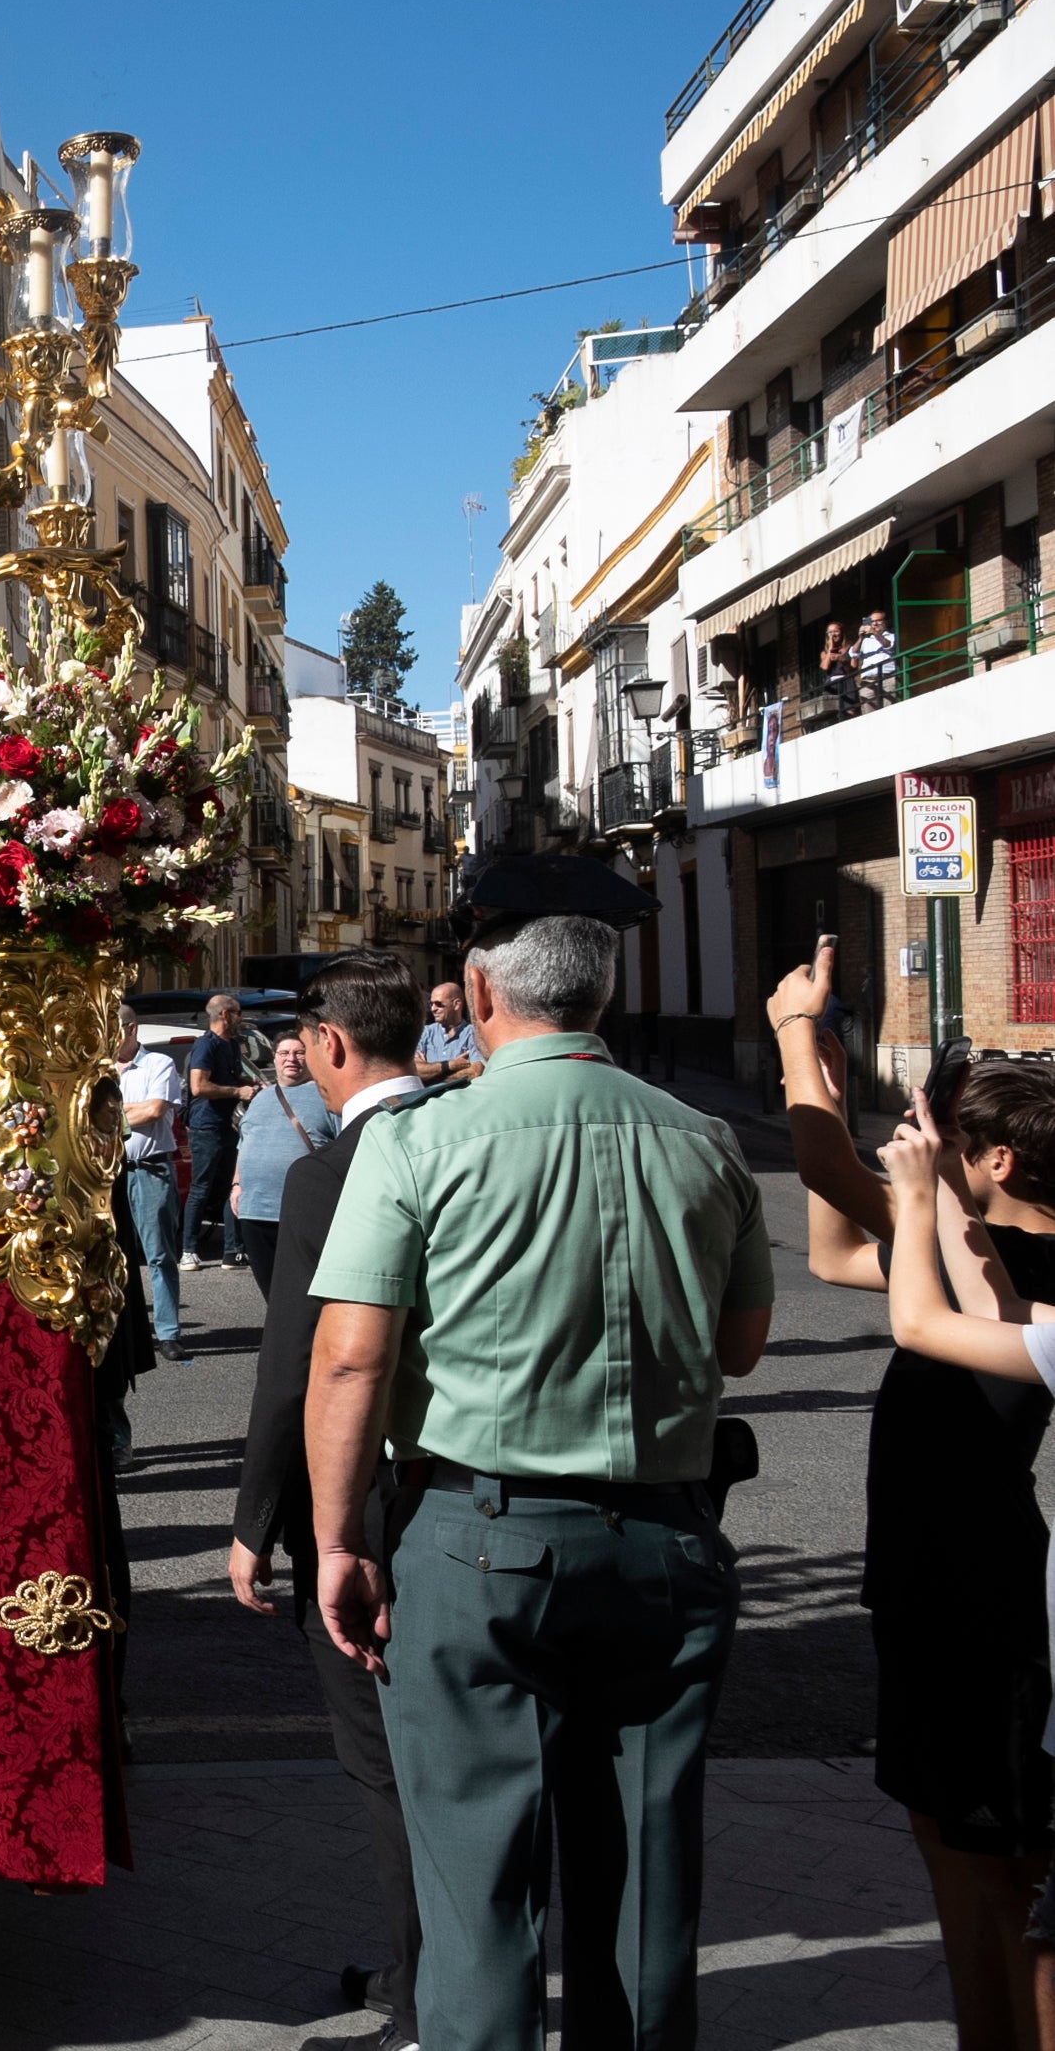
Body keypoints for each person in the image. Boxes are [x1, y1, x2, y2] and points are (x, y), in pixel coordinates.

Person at [305, 855, 773, 2051]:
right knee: (650, 1886)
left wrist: (339, 1539)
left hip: (480, 1538)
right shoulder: (706, 1140)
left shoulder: (420, 1142)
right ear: (604, 998)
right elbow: (745, 1344)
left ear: (482, 990)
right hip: (667, 1539)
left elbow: (352, 1358)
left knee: (478, 1892)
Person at [773, 938, 1055, 2046]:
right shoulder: (980, 1245)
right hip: (935, 1581)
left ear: (999, 1165)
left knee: (994, 1868)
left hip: (977, 1593)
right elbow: (838, 1248)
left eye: (945, 1142)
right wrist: (836, 1099)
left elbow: (831, 1177)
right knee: (956, 1854)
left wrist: (798, 1034)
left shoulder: (1001, 1267)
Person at [227, 950, 424, 2051]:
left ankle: (419, 1986)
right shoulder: (464, 1135)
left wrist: (258, 1519)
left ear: (333, 1047)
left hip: (373, 1498)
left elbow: (301, 1364)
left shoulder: (334, 1174)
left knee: (384, 1758)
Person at [865, 1061, 1055, 2045]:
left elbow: (922, 1320)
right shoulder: (1008, 1280)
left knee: (1018, 1875)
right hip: (933, 1583)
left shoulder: (1046, 1288)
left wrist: (913, 1193)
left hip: (998, 1598)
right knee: (957, 1847)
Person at [226, 1034, 333, 1299]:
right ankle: (280, 1339)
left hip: (302, 1211)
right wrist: (237, 1184)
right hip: (255, 1212)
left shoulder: (326, 1097)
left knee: (303, 1293)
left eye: (299, 1053)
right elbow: (244, 1145)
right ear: (274, 1059)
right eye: (284, 1053)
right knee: (272, 1293)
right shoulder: (260, 1099)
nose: (291, 1059)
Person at [114, 1009, 187, 1362]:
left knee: (159, 1255)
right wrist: (131, 1112)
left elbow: (155, 1110)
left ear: (131, 1028)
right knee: (113, 1255)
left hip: (150, 1169)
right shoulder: (98, 1069)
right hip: (109, 1174)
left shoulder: (158, 1063)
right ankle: (120, 1330)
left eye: (110, 1029)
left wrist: (110, 1115)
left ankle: (168, 1333)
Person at [182, 994, 254, 1269]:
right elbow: (199, 1087)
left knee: (231, 1186)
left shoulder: (232, 1045)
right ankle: (188, 1250)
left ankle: (232, 1251)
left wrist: (247, 1082)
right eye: (238, 1012)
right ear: (225, 1014)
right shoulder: (205, 1045)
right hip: (206, 1127)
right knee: (202, 1188)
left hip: (228, 1125)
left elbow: (228, 1077)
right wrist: (237, 1090)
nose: (241, 1018)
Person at [413, 982, 482, 1087]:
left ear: (456, 1004)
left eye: (439, 1004)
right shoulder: (426, 1032)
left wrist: (431, 1073)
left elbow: (476, 1072)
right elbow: (415, 1071)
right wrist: (450, 1065)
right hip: (429, 1100)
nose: (433, 1009)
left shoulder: (473, 1034)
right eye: (431, 1004)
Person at [858, 608, 900, 708]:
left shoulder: (892, 636)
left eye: (878, 620)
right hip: (868, 681)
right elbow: (853, 654)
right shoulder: (866, 640)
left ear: (885, 622)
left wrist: (875, 633)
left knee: (890, 710)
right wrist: (860, 638)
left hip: (887, 678)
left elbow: (889, 646)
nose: (875, 624)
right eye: (872, 621)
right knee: (868, 715)